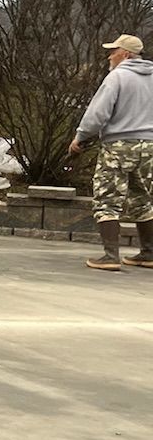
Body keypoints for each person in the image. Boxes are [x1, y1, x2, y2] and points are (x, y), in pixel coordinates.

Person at [69, 33, 153, 271]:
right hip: (149, 147)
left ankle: (110, 256)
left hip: (119, 146)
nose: (109, 56)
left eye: (113, 51)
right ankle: (148, 252)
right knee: (143, 198)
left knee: (107, 199)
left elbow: (98, 114)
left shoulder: (117, 77)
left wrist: (81, 137)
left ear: (125, 54)